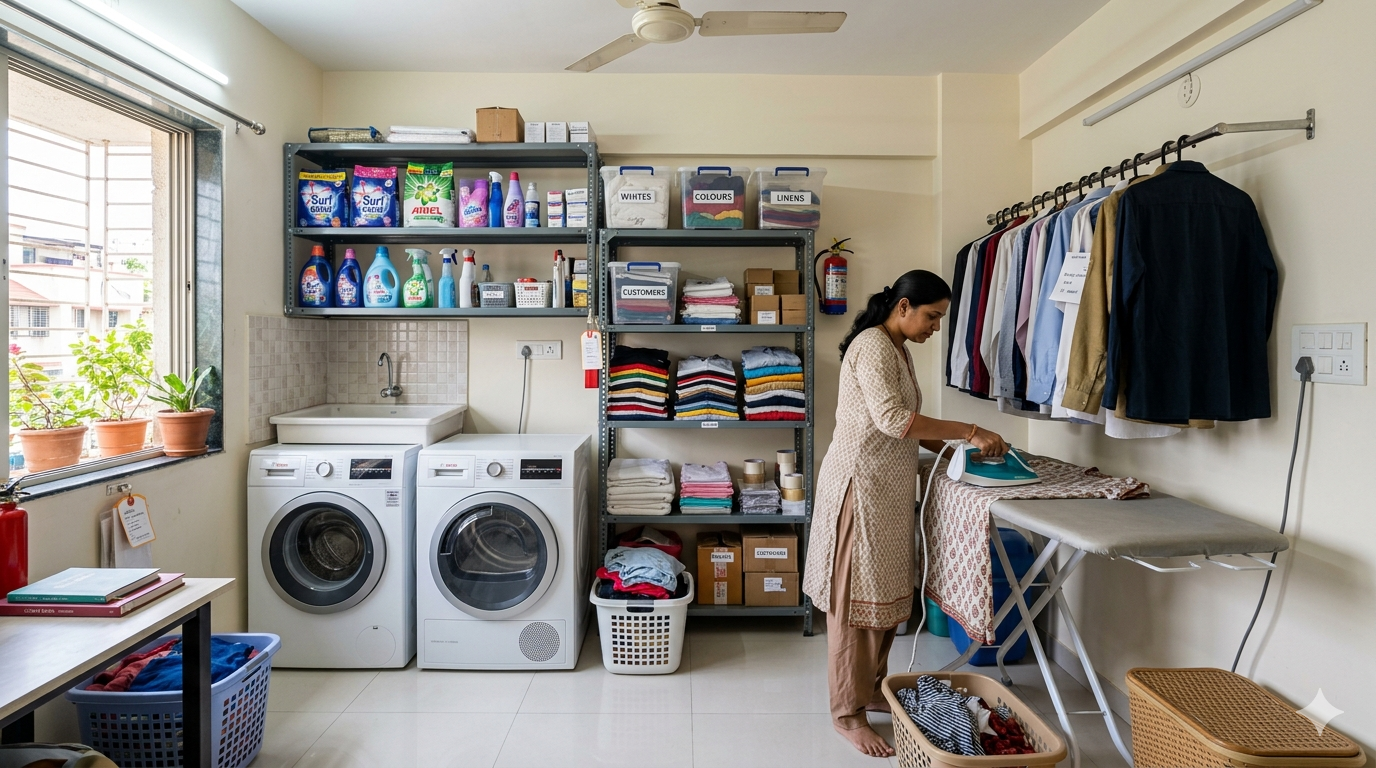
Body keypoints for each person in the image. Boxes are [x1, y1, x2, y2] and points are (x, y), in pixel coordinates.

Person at [802, 269, 1010, 758]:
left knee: (883, 601)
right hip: (860, 488)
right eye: (932, 316)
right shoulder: (873, 346)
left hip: (888, 494)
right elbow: (894, 420)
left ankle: (871, 689)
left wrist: (959, 449)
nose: (935, 327)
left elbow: (910, 426)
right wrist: (969, 429)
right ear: (903, 307)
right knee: (854, 604)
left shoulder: (898, 348)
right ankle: (846, 713)